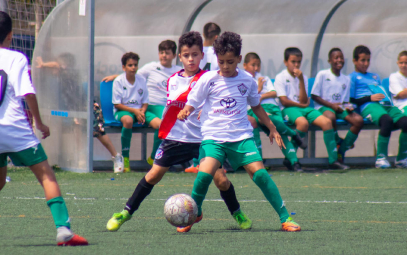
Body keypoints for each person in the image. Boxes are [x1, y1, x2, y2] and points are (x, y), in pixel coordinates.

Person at [106, 31, 252, 233]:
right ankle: (125, 212)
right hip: (176, 138)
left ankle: (237, 213)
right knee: (153, 175)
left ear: (202, 55)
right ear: (180, 57)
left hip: (203, 140)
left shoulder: (210, 78)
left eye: (195, 54)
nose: (191, 59)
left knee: (221, 180)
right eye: (186, 55)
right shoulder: (173, 80)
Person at [177, 32, 301, 232]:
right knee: (204, 175)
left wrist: (271, 127)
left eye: (230, 62)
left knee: (260, 175)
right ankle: (194, 214)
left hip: (241, 137)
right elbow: (194, 101)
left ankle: (285, 218)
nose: (225, 66)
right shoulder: (208, 79)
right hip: (213, 138)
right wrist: (186, 111)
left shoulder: (248, 80)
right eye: (221, 61)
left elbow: (257, 106)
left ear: (239, 60)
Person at [0, 11, 88, 246]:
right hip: (15, 129)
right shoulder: (16, 58)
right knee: (47, 176)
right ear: (10, 36)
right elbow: (26, 92)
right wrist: (39, 122)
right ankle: (64, 231)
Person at [36, 57, 124, 173]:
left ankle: (116, 156)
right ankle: (80, 159)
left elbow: (56, 65)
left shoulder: (68, 73)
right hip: (75, 109)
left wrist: (43, 64)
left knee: (98, 131)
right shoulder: (58, 79)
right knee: (77, 128)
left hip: (88, 107)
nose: (53, 70)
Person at [103, 40, 181, 166]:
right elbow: (131, 74)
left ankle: (159, 157)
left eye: (167, 53)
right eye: (161, 53)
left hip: (162, 107)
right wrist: (115, 76)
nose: (164, 56)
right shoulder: (151, 67)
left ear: (174, 55)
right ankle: (128, 159)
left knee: (171, 123)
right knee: (165, 123)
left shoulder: (178, 70)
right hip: (151, 105)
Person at [274, 47, 348, 170]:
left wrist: (301, 80)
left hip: (303, 108)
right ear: (285, 62)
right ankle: (293, 159)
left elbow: (303, 101)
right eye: (293, 62)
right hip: (288, 109)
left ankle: (333, 161)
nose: (296, 65)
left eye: (299, 62)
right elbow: (284, 101)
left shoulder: (304, 77)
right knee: (302, 123)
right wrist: (302, 105)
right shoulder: (280, 77)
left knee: (327, 122)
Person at [350, 46, 407, 168]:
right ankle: (381, 158)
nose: (366, 63)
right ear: (355, 61)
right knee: (386, 120)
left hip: (385, 104)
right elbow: (350, 99)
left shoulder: (374, 76)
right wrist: (369, 98)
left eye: (368, 60)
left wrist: (385, 100)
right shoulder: (352, 77)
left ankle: (402, 159)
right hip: (368, 105)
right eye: (363, 60)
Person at [243, 52, 307, 172]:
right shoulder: (243, 79)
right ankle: (293, 134)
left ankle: (294, 162)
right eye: (253, 65)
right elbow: (246, 98)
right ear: (245, 65)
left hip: (273, 107)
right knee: (265, 119)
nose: (256, 68)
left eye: (258, 65)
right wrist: (259, 90)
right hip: (256, 110)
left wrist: (262, 96)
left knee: (279, 133)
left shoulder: (264, 77)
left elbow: (274, 92)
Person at [311, 48, 363, 164]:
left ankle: (342, 148)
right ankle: (335, 151)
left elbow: (345, 101)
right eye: (336, 58)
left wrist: (349, 107)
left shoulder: (346, 79)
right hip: (324, 106)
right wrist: (331, 105)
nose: (339, 60)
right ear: (330, 60)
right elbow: (315, 96)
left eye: (341, 58)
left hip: (340, 108)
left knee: (358, 120)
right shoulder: (323, 74)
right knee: (330, 117)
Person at [112, 52, 161, 172]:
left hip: (140, 111)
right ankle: (126, 158)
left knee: (161, 125)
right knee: (128, 120)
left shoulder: (141, 79)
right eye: (130, 65)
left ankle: (153, 157)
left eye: (135, 65)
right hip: (122, 111)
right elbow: (117, 104)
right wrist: (135, 111)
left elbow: (145, 101)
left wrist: (142, 112)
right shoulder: (118, 81)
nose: (133, 68)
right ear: (124, 67)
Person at [185, 22, 222, 173]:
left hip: (193, 91)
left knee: (196, 126)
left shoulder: (196, 50)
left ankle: (197, 162)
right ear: (217, 36)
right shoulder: (217, 53)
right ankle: (211, 162)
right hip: (209, 94)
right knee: (209, 128)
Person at [390, 51, 407, 127]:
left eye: (406, 63)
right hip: (404, 106)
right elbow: (401, 94)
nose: (403, 65)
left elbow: (404, 92)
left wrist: (406, 89)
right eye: (401, 63)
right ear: (397, 63)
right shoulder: (394, 76)